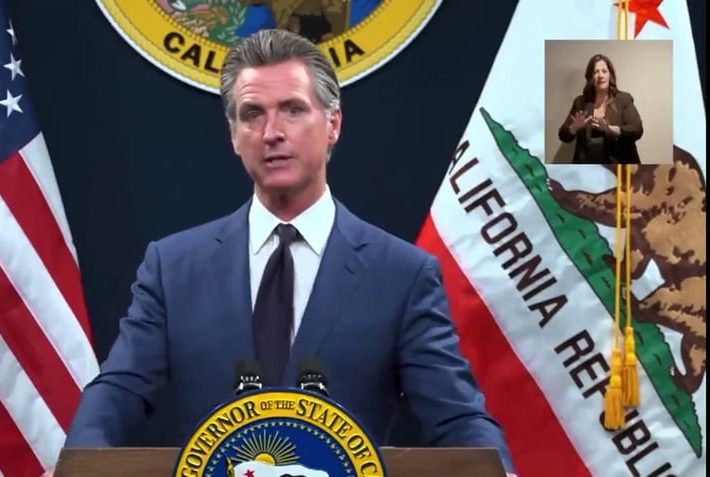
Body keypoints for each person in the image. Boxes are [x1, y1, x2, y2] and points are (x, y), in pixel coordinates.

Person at [56, 29, 516, 476]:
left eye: (293, 110)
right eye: (252, 114)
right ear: (233, 134)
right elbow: (118, 391)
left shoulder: (402, 274)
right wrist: (79, 464)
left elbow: (456, 418)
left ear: (333, 123)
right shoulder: (173, 268)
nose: (272, 132)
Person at [558, 53, 644, 164]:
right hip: (587, 167)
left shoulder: (623, 99)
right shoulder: (580, 102)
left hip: (619, 164)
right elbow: (563, 135)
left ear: (610, 75)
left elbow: (637, 129)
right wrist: (574, 128)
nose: (600, 75)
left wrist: (610, 130)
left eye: (604, 71)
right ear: (590, 77)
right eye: (595, 72)